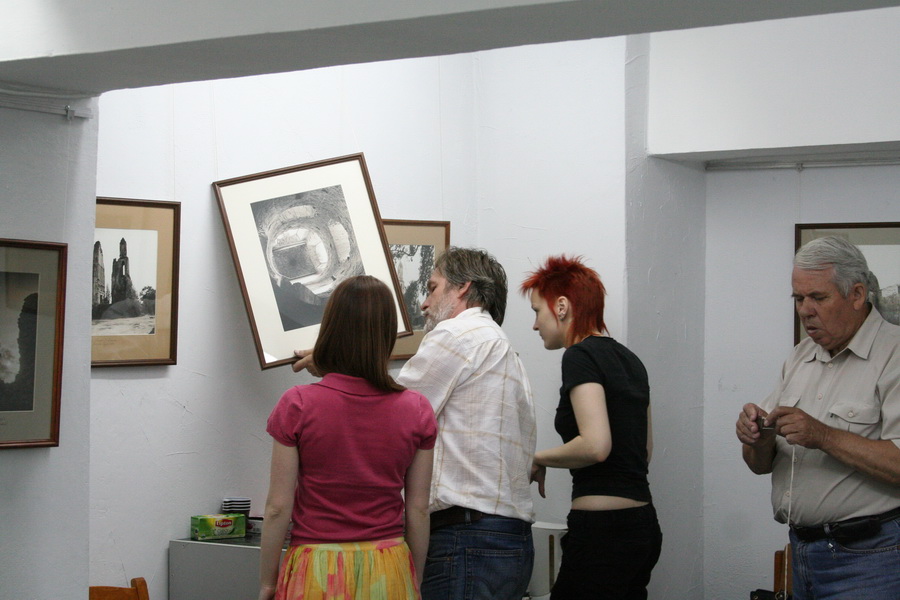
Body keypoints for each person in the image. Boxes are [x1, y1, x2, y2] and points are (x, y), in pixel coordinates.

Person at [294, 247, 537, 600]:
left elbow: (387, 412)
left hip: (466, 538)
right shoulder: (504, 349)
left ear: (463, 288)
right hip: (510, 539)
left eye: (432, 288)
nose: (424, 303)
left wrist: (334, 365)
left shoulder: (457, 334)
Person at [736, 235, 900, 600]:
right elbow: (759, 465)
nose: (805, 310)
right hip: (803, 554)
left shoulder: (894, 355)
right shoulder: (800, 356)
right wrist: (756, 437)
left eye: (818, 298)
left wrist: (824, 437)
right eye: (798, 298)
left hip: (873, 559)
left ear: (857, 295)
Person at [259, 275, 437, 600]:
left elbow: (276, 509)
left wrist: (268, 584)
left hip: (315, 568)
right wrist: (414, 579)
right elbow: (419, 510)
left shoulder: (298, 404)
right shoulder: (417, 409)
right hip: (388, 566)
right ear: (387, 334)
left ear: (331, 327)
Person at [521, 255, 662, 600]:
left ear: (562, 307)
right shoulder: (631, 360)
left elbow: (596, 446)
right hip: (643, 527)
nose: (535, 325)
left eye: (537, 311)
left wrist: (536, 457)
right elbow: (644, 452)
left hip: (603, 535)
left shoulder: (580, 356)